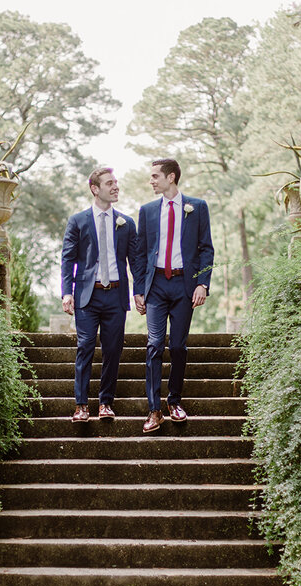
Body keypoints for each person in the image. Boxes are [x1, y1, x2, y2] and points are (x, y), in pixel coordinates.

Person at [136, 158, 214, 433]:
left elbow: (206, 248)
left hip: (184, 285)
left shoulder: (197, 207)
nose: (152, 181)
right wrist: (138, 290)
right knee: (154, 344)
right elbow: (140, 252)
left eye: (156, 176)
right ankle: (154, 410)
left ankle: (174, 401)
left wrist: (202, 284)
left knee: (178, 346)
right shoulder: (146, 211)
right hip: (156, 285)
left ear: (171, 178)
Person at [60, 167, 144, 422]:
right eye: (110, 183)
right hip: (87, 296)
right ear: (95, 189)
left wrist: (139, 291)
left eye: (116, 182)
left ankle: (105, 403)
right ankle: (81, 405)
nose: (115, 186)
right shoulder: (78, 221)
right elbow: (67, 259)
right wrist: (66, 293)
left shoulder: (126, 223)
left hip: (116, 296)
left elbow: (136, 261)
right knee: (85, 346)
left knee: (113, 350)